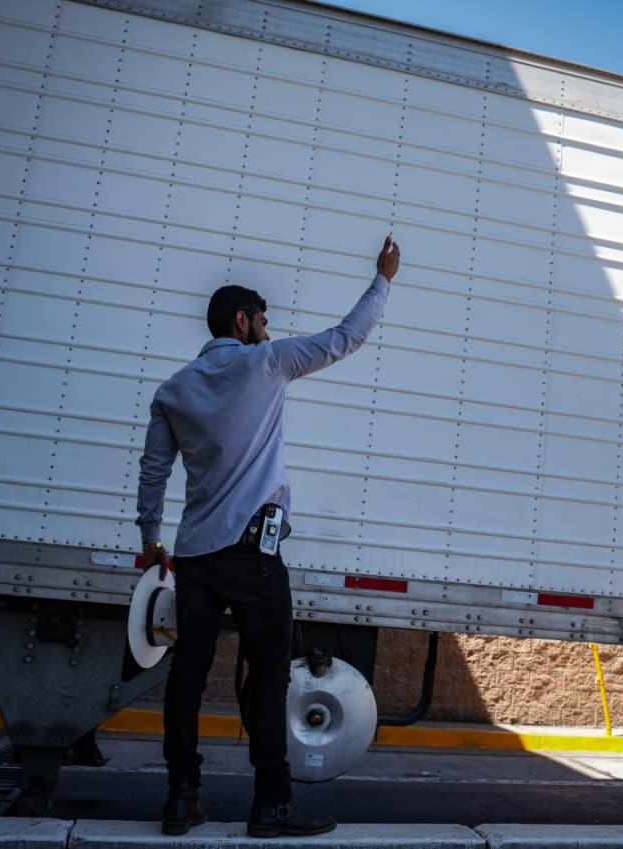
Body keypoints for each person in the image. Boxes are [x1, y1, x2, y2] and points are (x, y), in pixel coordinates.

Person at [134, 236, 400, 837]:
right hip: (254, 554)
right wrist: (382, 280)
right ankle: (271, 806)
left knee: (187, 677)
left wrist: (152, 537)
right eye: (262, 318)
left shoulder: (173, 390)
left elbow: (155, 471)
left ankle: (181, 799)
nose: (267, 326)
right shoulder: (269, 362)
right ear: (242, 320)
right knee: (270, 675)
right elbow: (344, 338)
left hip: (195, 555)